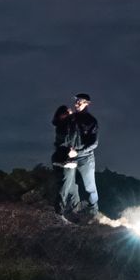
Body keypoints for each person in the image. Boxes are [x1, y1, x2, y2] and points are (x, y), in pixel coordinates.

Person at [51, 92, 99, 220]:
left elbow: (94, 143)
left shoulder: (91, 121)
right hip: (70, 157)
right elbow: (59, 126)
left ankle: (93, 212)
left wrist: (78, 152)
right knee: (69, 184)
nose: (77, 103)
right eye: (76, 100)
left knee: (90, 186)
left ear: (87, 104)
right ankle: (70, 212)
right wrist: (66, 152)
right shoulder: (71, 118)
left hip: (85, 157)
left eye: (80, 101)